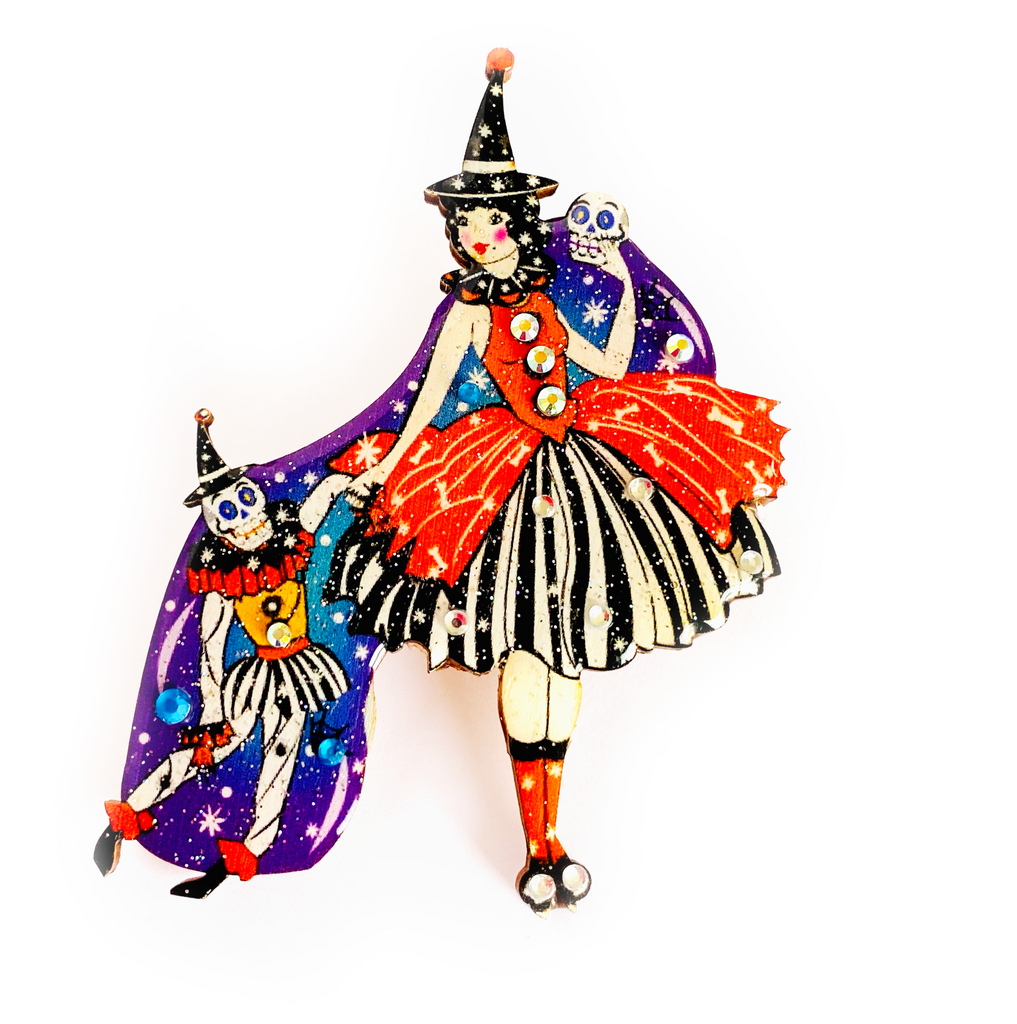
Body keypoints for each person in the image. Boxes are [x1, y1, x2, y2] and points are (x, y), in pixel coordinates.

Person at [324, 49, 786, 915]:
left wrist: (618, 276)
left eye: (490, 222)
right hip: (498, 472)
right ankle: (540, 838)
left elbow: (607, 364)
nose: (478, 237)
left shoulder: (545, 300)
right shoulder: (467, 312)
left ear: (516, 223)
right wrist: (389, 461)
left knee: (565, 635)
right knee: (527, 639)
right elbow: (426, 401)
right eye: (466, 224)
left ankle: (546, 835)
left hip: (582, 459)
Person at [94, 410, 351, 898]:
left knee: (282, 756)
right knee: (216, 747)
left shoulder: (286, 538)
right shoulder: (221, 579)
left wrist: (348, 479)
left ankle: (246, 853)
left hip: (298, 665)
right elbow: (211, 646)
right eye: (227, 511)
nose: (245, 519)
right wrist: (212, 709)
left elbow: (319, 501)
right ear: (214, 522)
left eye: (246, 499)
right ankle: (128, 815)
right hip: (255, 675)